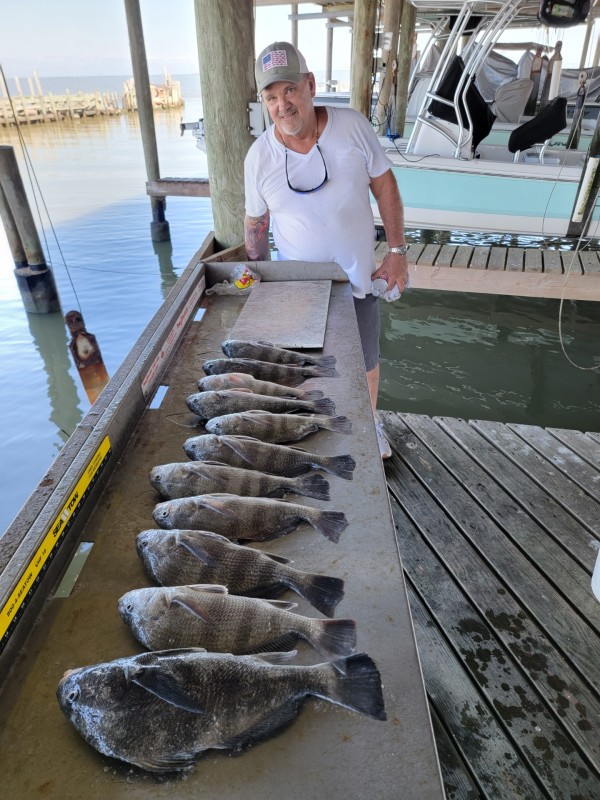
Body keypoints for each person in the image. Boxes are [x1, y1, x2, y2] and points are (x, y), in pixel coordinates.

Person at [244, 41, 409, 459]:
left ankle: (370, 421)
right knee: (302, 368)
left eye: (289, 91)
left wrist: (397, 251)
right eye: (271, 97)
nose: (282, 105)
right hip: (298, 289)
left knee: (367, 361)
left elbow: (385, 186)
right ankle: (313, 427)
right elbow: (256, 222)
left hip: (357, 276)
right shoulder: (258, 158)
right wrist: (256, 278)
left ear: (310, 85)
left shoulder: (351, 126)